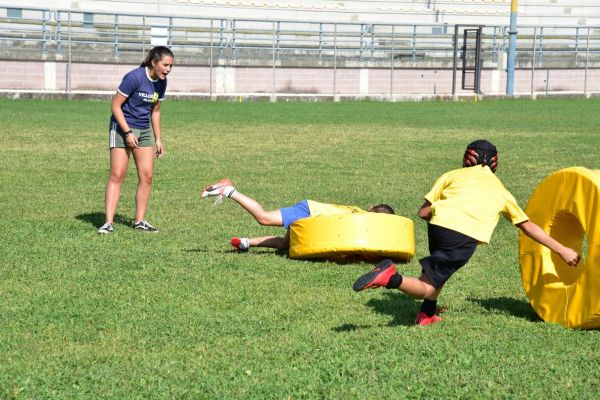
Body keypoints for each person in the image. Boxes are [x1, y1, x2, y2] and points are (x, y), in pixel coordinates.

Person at [352, 140, 580, 326]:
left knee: (439, 272)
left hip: (438, 228)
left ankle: (427, 314)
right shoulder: (501, 190)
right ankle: (391, 278)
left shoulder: (451, 175)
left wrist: (444, 209)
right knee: (426, 287)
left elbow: (423, 213)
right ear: (494, 164)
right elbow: (528, 227)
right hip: (462, 235)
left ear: (466, 158)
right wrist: (562, 250)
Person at [97, 46, 174, 234]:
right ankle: (108, 223)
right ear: (153, 62)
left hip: (144, 128)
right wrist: (128, 132)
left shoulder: (162, 82)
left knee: (147, 176)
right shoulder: (134, 77)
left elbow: (155, 111)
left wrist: (158, 139)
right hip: (123, 127)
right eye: (165, 65)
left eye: (171, 66)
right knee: (118, 174)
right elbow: (115, 106)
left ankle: (139, 221)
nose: (168, 69)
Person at [201, 178, 395, 251]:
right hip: (309, 213)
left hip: (313, 215)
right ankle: (228, 190)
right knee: (264, 217)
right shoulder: (364, 222)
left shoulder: (361, 213)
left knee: (285, 244)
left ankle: (246, 242)